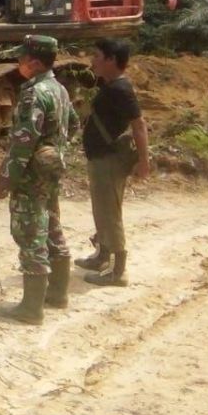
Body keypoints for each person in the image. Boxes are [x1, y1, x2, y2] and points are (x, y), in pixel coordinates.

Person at [0, 35, 79, 324]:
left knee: (30, 233)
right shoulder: (60, 90)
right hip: (51, 171)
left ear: (35, 63)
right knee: (52, 226)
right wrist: (55, 150)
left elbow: (23, 143)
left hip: (31, 176)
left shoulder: (33, 94)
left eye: (22, 59)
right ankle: (58, 295)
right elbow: (74, 123)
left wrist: (4, 179)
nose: (18, 63)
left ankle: (31, 308)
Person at [76, 38, 149, 287]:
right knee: (101, 209)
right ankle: (102, 257)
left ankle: (118, 271)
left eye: (97, 56)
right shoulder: (109, 85)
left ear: (111, 60)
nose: (92, 60)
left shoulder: (121, 89)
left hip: (110, 159)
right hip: (100, 157)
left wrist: (143, 161)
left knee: (110, 212)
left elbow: (139, 126)